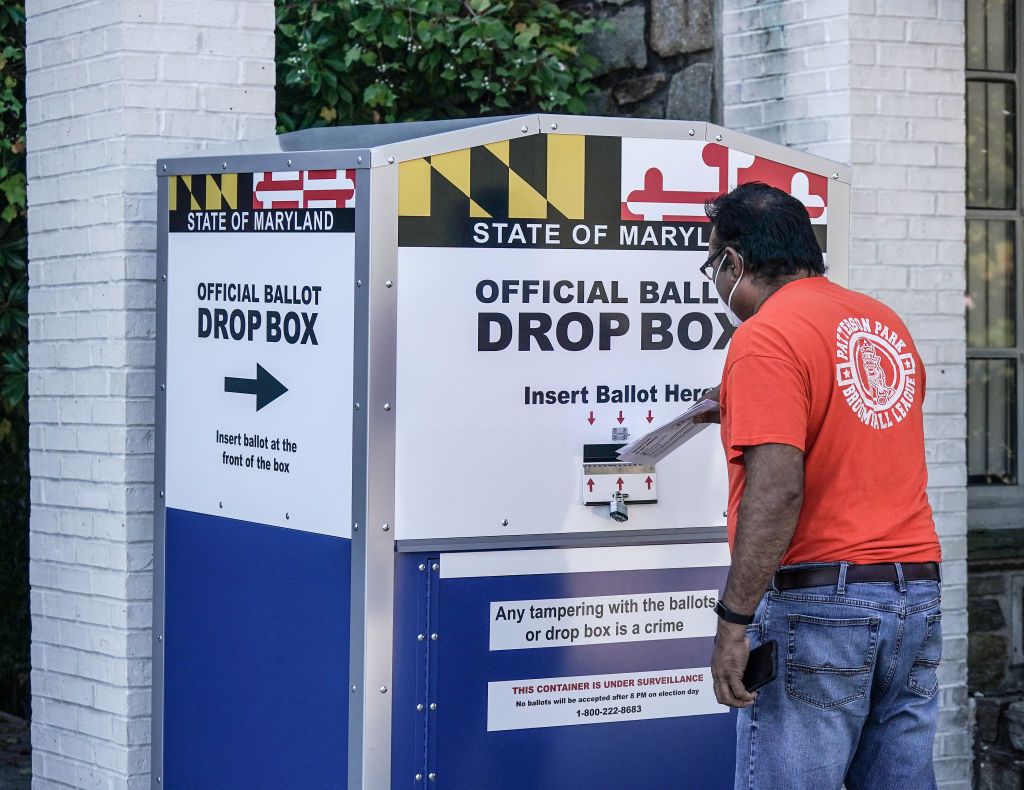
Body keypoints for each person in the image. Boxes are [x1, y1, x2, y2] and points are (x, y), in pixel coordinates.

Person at [695, 183, 942, 790]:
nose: (715, 282)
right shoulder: (882, 323)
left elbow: (777, 491)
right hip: (915, 596)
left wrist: (734, 620)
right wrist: (742, 408)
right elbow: (849, 432)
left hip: (822, 607)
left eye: (711, 266)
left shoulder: (765, 335)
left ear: (734, 262)